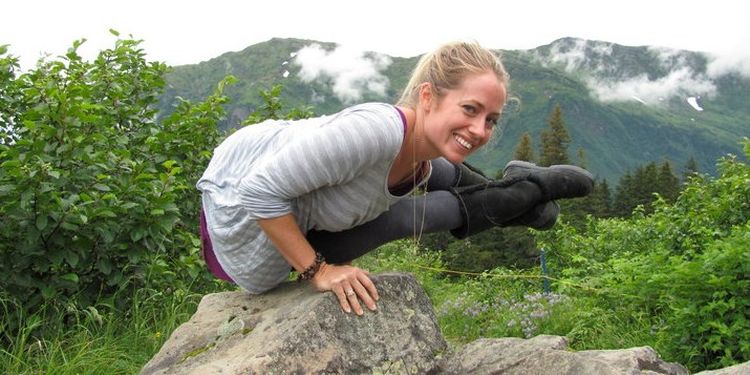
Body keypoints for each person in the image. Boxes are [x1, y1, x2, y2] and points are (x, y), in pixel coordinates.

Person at [197, 41, 594, 316]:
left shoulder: (410, 141)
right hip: (238, 208)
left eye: (490, 119)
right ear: (426, 97)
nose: (479, 129)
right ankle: (525, 191)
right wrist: (319, 272)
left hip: (295, 190)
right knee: (401, 217)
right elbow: (259, 191)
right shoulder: (376, 131)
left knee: (430, 161)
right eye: (470, 109)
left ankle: (515, 195)